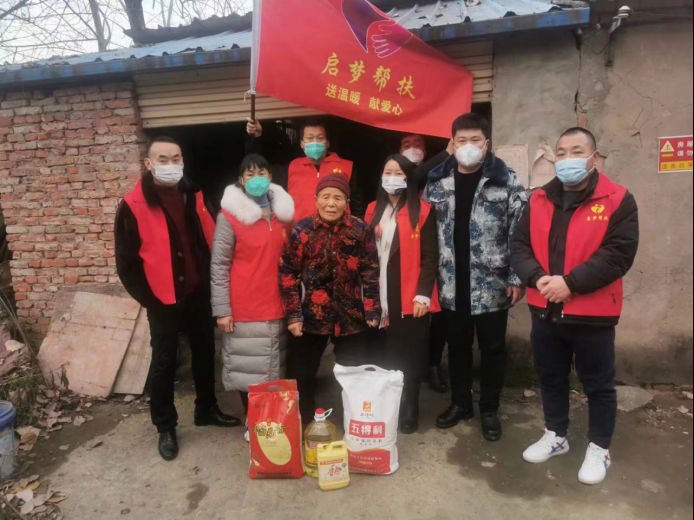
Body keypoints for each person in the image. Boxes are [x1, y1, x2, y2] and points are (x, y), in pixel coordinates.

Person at [511, 127, 639, 485]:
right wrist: (537, 278)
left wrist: (570, 283)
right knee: (550, 377)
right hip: (544, 309)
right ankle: (556, 435)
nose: (568, 159)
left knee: (597, 384)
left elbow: (618, 254)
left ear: (594, 157)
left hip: (592, 314)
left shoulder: (618, 199)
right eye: (562, 152)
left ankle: (600, 448)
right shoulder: (538, 199)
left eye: (577, 151)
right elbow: (519, 245)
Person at [115, 136, 240, 462]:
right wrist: (150, 299)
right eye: (163, 159)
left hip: (198, 292)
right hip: (162, 299)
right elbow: (126, 264)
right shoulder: (132, 205)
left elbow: (209, 239)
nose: (171, 165)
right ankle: (165, 426)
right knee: (164, 362)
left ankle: (206, 408)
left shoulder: (193, 194)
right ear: (148, 164)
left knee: (205, 353)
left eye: (176, 158)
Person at [424, 113, 526, 441]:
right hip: (450, 282)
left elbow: (520, 232)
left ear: (486, 144)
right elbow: (424, 234)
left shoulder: (505, 180)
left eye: (475, 140)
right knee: (457, 348)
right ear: (452, 144)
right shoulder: (437, 182)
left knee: (493, 349)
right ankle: (461, 403)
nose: (468, 146)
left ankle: (490, 409)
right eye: (462, 140)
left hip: (492, 283)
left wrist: (516, 278)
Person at [279, 173, 380, 423]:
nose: (331, 203)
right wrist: (293, 315)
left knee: (354, 375)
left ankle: (354, 425)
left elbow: (370, 271)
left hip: (350, 316)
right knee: (301, 374)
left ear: (347, 202)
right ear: (316, 200)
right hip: (311, 316)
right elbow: (288, 273)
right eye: (325, 197)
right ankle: (304, 424)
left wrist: (372, 309)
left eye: (338, 198)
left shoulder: (360, 229)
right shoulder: (302, 231)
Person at [210, 153, 295, 441]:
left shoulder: (284, 215)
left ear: (270, 177)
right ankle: (253, 420)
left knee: (276, 369)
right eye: (250, 174)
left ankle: (273, 419)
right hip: (245, 306)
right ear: (240, 180)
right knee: (248, 371)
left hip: (280, 304)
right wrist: (222, 309)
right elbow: (219, 265)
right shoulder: (229, 218)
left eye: (262, 173)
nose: (256, 178)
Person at [364, 154, 440, 434]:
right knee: (383, 352)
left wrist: (423, 294)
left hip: (408, 293)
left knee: (410, 353)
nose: (392, 177)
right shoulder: (372, 210)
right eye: (387, 172)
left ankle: (411, 405)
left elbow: (430, 257)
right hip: (378, 290)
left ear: (409, 178)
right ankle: (387, 405)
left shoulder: (423, 211)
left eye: (398, 172)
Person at [399, 133, 452, 393]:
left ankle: (433, 363)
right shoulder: (397, 176)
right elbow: (412, 179)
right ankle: (410, 368)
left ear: (426, 149)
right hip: (409, 255)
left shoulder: (441, 172)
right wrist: (446, 153)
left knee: (439, 314)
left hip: (440, 251)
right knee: (412, 314)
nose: (412, 149)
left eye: (417, 145)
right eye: (406, 145)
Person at [246, 118, 364, 219]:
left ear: (328, 143)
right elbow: (258, 167)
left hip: (339, 234)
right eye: (310, 138)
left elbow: (357, 207)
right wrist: (257, 137)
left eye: (320, 138)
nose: (315, 142)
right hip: (301, 234)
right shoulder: (292, 167)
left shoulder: (347, 166)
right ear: (302, 144)